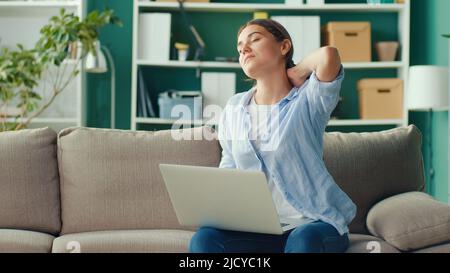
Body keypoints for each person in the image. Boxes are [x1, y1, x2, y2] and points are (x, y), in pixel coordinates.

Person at [189, 19, 356, 253]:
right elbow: (229, 168)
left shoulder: (308, 100)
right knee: (204, 239)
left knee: (304, 241)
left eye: (254, 39)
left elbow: (329, 55)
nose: (244, 49)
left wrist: (298, 71)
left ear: (284, 46)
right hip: (256, 229)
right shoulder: (234, 107)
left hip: (311, 224)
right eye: (239, 48)